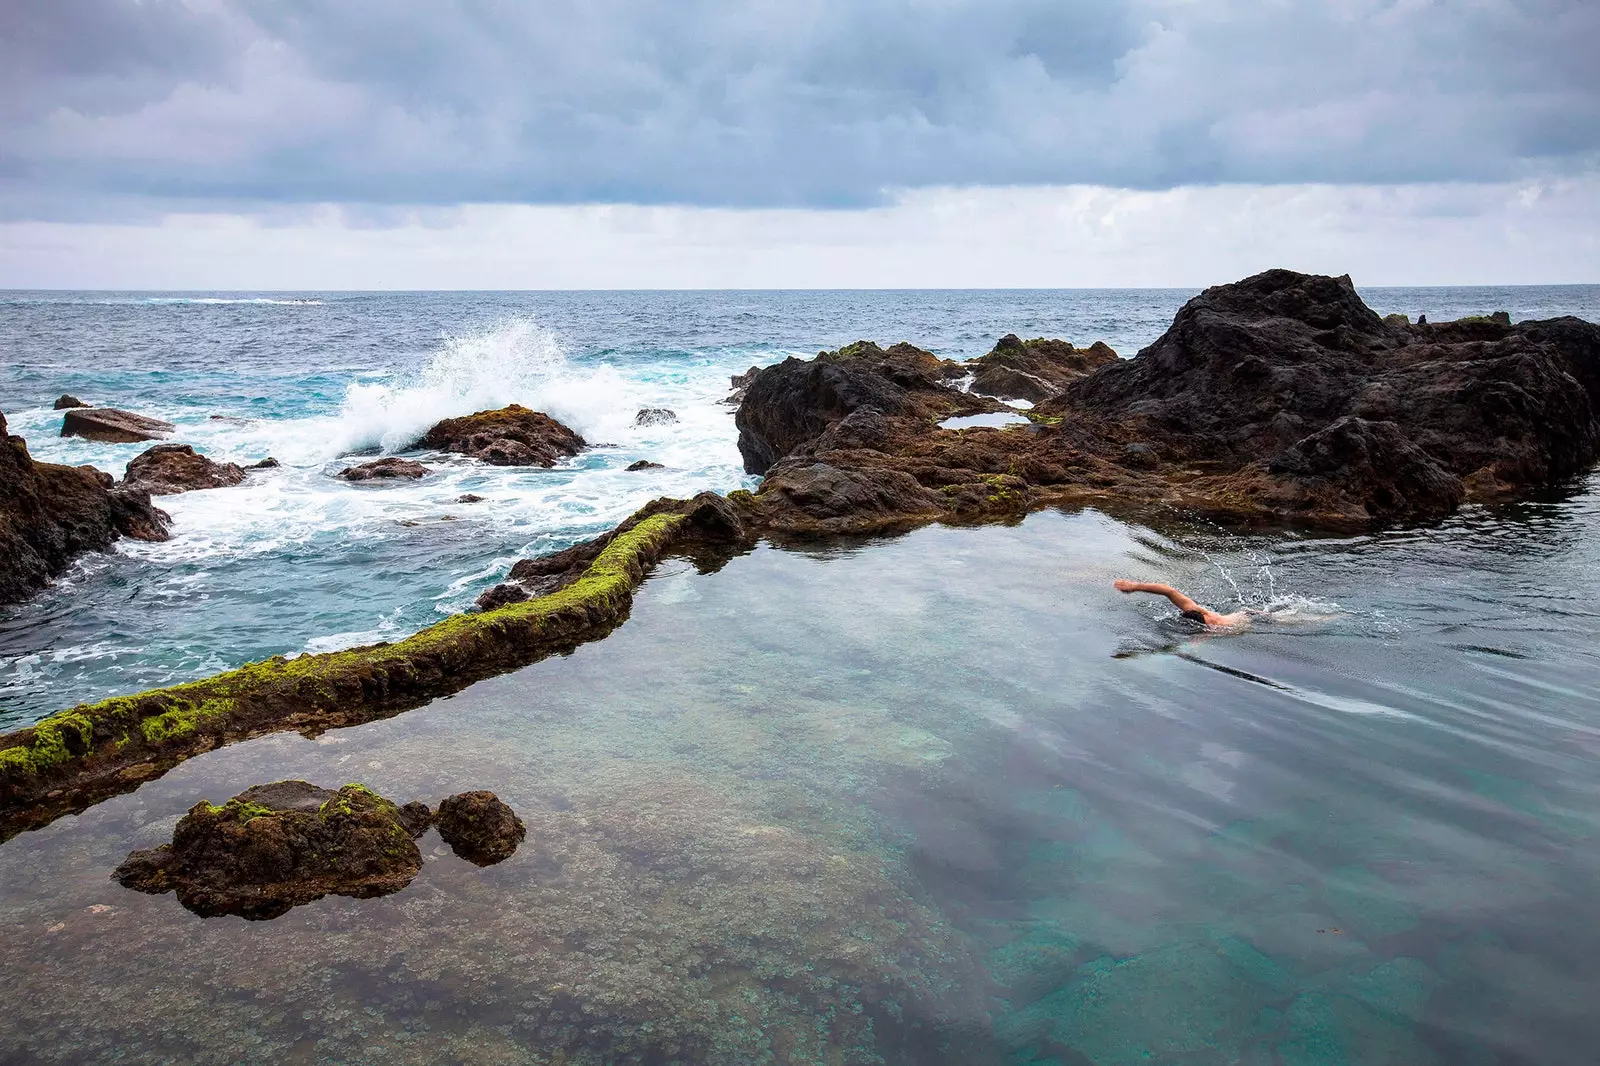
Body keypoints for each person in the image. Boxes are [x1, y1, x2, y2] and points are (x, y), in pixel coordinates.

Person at [1114, 579, 1250, 628]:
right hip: (1244, 612)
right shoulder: (1194, 609)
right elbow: (1168, 591)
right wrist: (1135, 586)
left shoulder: (1213, 628)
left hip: (1248, 617)